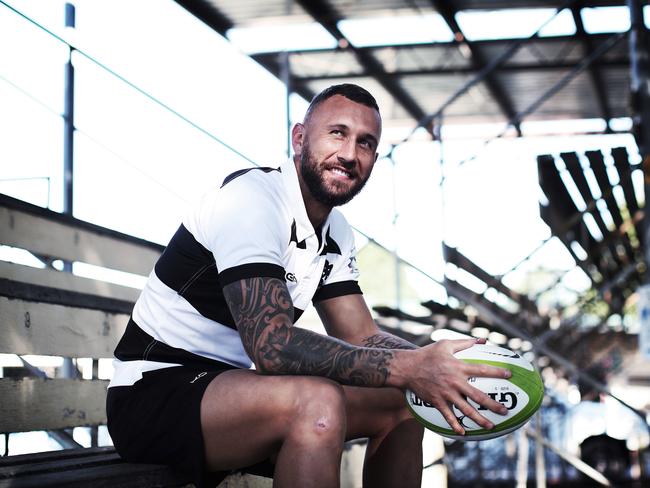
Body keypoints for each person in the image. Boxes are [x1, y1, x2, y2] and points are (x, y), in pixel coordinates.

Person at [106, 83, 512, 488]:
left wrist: (448, 369)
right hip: (154, 393)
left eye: (366, 143)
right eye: (337, 133)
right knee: (318, 401)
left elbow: (362, 337)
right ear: (299, 138)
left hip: (235, 393)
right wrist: (411, 368)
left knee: (402, 402)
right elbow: (271, 345)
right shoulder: (252, 200)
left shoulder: (336, 231)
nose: (350, 154)